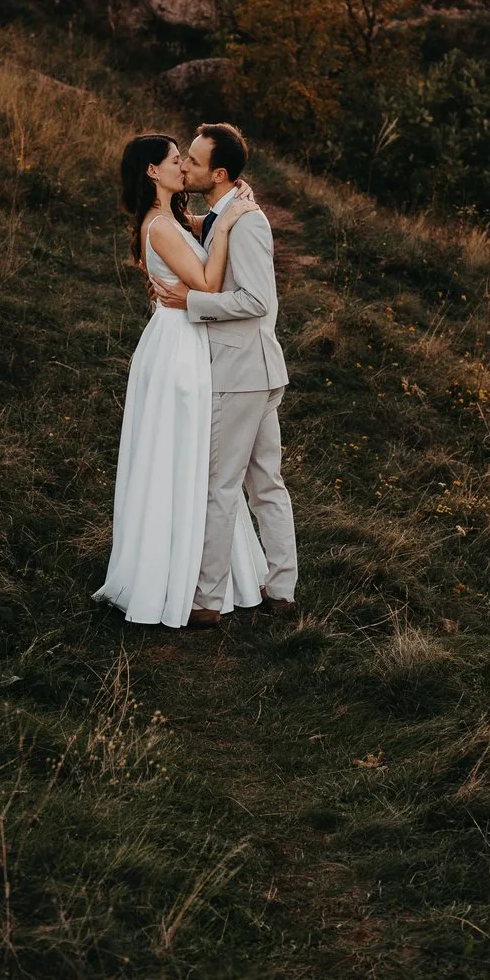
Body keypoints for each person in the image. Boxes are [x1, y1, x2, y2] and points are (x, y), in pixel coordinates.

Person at [97, 133, 271, 628]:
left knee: (189, 457)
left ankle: (195, 569)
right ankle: (175, 575)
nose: (183, 167)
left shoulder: (169, 220)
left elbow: (194, 229)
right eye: (176, 160)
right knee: (184, 457)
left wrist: (221, 214)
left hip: (179, 339)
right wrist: (235, 217)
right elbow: (209, 284)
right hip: (179, 347)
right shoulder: (162, 226)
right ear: (153, 172)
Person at [150, 122, 297, 623]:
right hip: (254, 370)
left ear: (219, 172)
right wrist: (198, 223)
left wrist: (192, 300)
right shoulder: (222, 213)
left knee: (222, 484)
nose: (184, 165)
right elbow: (207, 231)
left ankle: (207, 600)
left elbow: (257, 300)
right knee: (265, 483)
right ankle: (282, 589)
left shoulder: (248, 221)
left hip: (241, 373)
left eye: (192, 160)